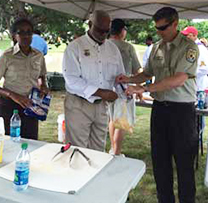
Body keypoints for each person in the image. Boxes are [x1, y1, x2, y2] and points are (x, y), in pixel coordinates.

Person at [116, 7, 199, 203]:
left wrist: (145, 89)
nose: (159, 32)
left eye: (163, 28)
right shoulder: (157, 48)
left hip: (182, 111)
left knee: (184, 163)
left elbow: (179, 79)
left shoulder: (189, 47)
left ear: (175, 24)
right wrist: (129, 79)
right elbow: (147, 73)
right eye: (157, 28)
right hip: (160, 110)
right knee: (160, 162)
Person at [62, 10, 125, 152]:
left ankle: (95, 173)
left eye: (106, 31)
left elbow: (119, 76)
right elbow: (71, 79)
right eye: (99, 30)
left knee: (98, 149)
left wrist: (125, 89)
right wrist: (100, 92)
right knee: (77, 150)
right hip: (79, 105)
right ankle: (77, 174)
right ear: (90, 24)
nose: (103, 34)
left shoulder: (113, 49)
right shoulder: (75, 47)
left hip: (102, 106)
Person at [0, 18, 49, 140]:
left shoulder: (38, 56)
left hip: (30, 106)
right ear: (14, 36)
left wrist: (43, 86)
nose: (26, 36)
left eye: (29, 32)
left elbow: (42, 76)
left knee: (31, 144)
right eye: (21, 32)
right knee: (7, 145)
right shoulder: (7, 56)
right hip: (8, 107)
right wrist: (12, 95)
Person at [108, 18, 141, 155]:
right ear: (122, 31)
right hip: (124, 88)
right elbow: (136, 70)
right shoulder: (127, 47)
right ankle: (116, 152)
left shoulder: (104, 45)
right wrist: (139, 87)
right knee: (121, 121)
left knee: (112, 119)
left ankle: (112, 148)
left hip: (107, 88)